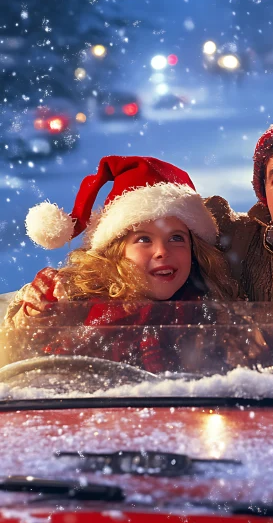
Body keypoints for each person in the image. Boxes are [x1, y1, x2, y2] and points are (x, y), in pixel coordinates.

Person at [7, 115, 273, 378]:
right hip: (246, 423)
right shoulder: (234, 238)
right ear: (264, 193)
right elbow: (143, 239)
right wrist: (60, 290)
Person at [5, 155, 245, 372]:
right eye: (143, 239)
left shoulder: (206, 312)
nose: (162, 251)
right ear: (116, 252)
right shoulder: (67, 296)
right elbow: (16, 354)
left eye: (176, 238)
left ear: (194, 251)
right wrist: (54, 321)